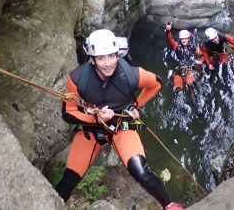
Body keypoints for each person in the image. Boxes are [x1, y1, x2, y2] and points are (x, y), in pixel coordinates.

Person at [55, 29, 185, 210]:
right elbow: (68, 112)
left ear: (117, 55)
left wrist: (135, 106)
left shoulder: (131, 75)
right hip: (91, 131)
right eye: (101, 58)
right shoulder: (77, 80)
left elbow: (156, 84)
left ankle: (169, 205)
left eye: (111, 56)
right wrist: (95, 119)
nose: (108, 63)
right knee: (67, 183)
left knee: (141, 171)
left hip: (121, 126)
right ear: (92, 59)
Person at [165, 22, 204, 116]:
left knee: (193, 87)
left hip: (189, 71)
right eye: (182, 39)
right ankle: (176, 112)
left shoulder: (193, 48)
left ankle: (198, 109)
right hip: (178, 71)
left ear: (189, 39)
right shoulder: (176, 46)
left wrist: (200, 62)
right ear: (180, 39)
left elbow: (202, 55)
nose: (184, 40)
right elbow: (170, 39)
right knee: (178, 91)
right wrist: (168, 30)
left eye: (186, 38)